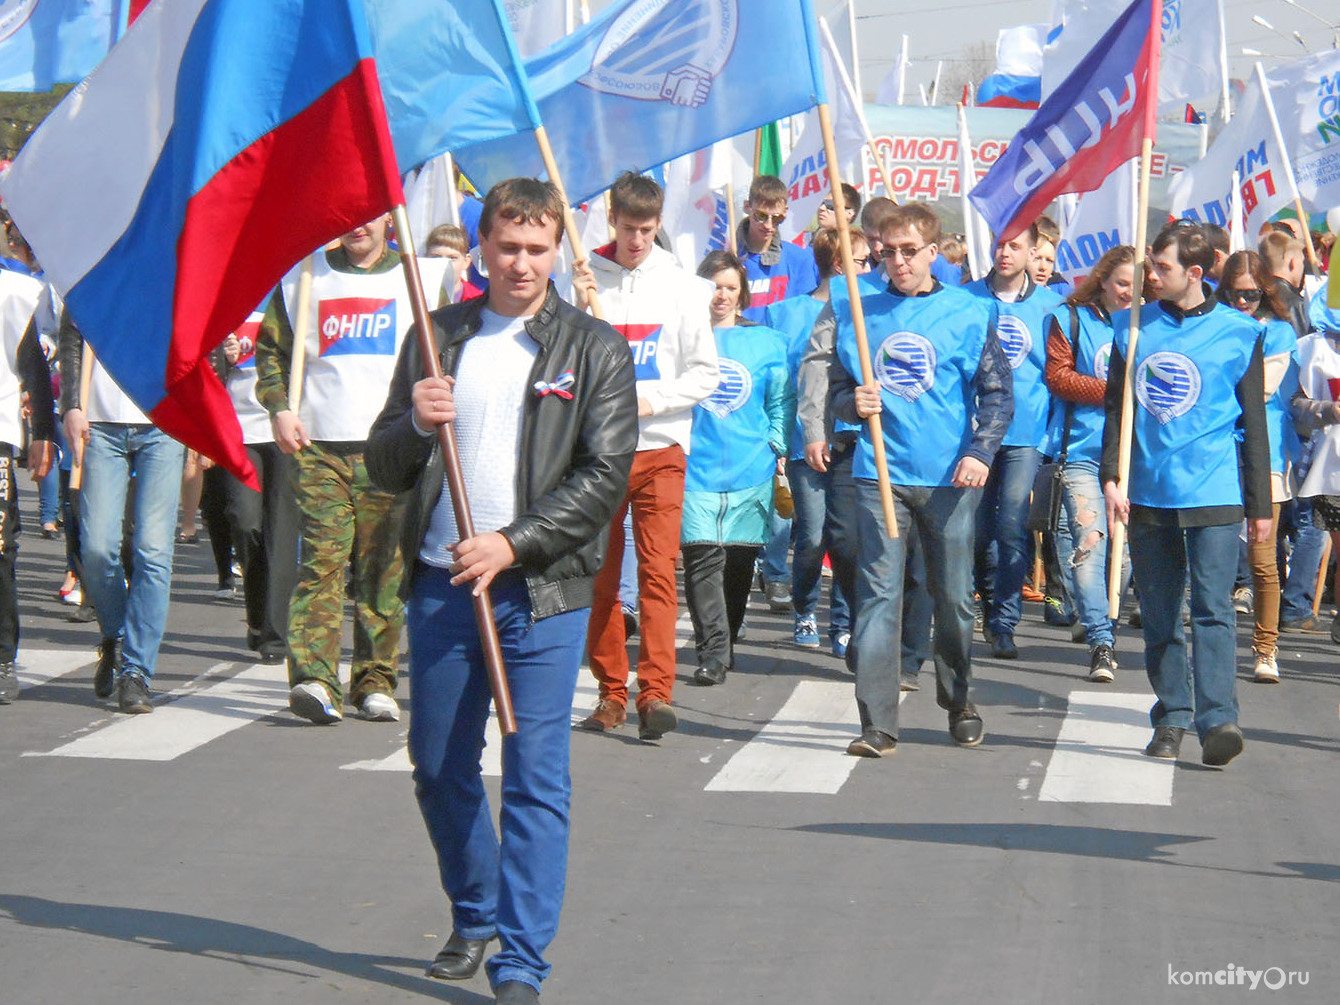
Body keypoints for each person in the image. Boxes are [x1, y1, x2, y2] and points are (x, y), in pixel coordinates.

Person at [365, 176, 638, 1005]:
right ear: (482, 248)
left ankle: (521, 960)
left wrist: (512, 543)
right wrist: (413, 421)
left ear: (560, 248)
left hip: (542, 591)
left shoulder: (594, 348)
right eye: (507, 246)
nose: (522, 263)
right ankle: (476, 908)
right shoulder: (438, 334)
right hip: (445, 584)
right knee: (438, 765)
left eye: (537, 247)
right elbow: (383, 463)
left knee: (534, 774)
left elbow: (603, 475)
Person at [830, 202, 1013, 757]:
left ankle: (959, 699)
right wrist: (850, 403)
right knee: (879, 599)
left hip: (949, 482)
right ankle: (878, 723)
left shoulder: (966, 311)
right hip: (879, 475)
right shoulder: (859, 309)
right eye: (889, 252)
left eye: (910, 251)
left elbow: (999, 393)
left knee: (954, 599)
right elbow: (838, 388)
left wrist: (981, 452)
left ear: (934, 252)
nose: (899, 261)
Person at [254, 216, 450, 724]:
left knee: (382, 570)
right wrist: (279, 406)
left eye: (369, 215)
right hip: (319, 448)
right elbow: (271, 353)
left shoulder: (420, 280)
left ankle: (374, 679)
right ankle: (316, 679)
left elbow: (449, 351)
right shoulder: (303, 276)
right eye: (347, 217)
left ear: (389, 217)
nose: (357, 227)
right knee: (321, 563)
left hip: (391, 448)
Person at [1102, 223, 1271, 767]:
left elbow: (1254, 425)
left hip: (1215, 492)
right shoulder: (1133, 328)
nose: (1149, 276)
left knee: (1213, 610)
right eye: (1150, 265)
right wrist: (1111, 476)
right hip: (1148, 493)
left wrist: (1261, 506)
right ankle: (1172, 714)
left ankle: (1218, 717)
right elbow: (1115, 410)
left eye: (1161, 268)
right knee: (1157, 614)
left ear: (1195, 274)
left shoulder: (1240, 332)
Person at [570, 172, 718, 740]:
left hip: (661, 450)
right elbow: (559, 360)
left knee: (658, 574)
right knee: (602, 578)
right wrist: (569, 296)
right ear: (613, 220)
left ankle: (656, 693)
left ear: (659, 225)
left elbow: (705, 373)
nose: (636, 239)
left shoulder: (682, 286)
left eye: (647, 229)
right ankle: (611, 693)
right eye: (628, 228)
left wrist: (651, 399)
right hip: (600, 454)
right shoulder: (586, 280)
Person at [60, 315, 185, 713]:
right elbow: (71, 335)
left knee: (152, 550)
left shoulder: (174, 266)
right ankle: (114, 635)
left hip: (164, 424)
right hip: (101, 425)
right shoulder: (97, 261)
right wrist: (71, 406)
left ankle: (136, 672)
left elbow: (204, 340)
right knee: (96, 548)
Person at [682, 251, 793, 685]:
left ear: (741, 292)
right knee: (702, 557)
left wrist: (777, 442)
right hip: (695, 467)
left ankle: (724, 638)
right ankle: (710, 650)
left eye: (730, 287)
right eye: (714, 286)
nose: (721, 295)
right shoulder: (681, 337)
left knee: (739, 563)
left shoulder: (766, 342)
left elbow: (781, 400)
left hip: (751, 467)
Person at [967, 223, 1065, 659]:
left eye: (1016, 246)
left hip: (1026, 434)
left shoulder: (1051, 306)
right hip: (973, 434)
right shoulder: (965, 298)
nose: (1005, 253)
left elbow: (1059, 374)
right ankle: (981, 604)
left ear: (1032, 252)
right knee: (974, 527)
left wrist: (1056, 435)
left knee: (1010, 524)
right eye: (1000, 245)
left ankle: (1003, 619)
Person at [767, 227, 866, 656]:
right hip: (804, 443)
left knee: (846, 538)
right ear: (841, 264)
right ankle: (805, 607)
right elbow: (778, 380)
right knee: (811, 536)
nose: (871, 269)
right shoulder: (784, 313)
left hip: (851, 441)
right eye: (863, 261)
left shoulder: (869, 310)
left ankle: (841, 624)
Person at [1042, 245, 1135, 683]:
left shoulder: (1150, 325)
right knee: (1090, 542)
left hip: (1134, 458)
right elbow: (1058, 377)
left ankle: (1100, 615)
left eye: (1138, 286)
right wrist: (1114, 392)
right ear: (1102, 280)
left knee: (1126, 551)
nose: (1128, 294)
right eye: (1121, 284)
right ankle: (1101, 638)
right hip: (1083, 451)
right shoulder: (1074, 320)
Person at [1217, 250, 1300, 683]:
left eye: (1250, 294)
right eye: (1233, 293)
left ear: (1265, 292)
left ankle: (1266, 649)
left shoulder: (1280, 332)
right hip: (1214, 451)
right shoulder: (1212, 326)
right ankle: (1210, 641)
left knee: (1263, 558)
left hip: (1263, 454)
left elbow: (1260, 392)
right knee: (1210, 553)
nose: (1242, 302)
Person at [222, 311, 297, 663]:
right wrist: (221, 356)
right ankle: (256, 615)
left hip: (285, 423)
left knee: (280, 530)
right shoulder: (230, 292)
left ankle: (274, 632)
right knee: (245, 520)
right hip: (239, 426)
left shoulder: (295, 287)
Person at [0, 267, 54, 704]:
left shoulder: (14, 293)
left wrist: (42, 433)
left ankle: (2, 656)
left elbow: (33, 364)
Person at [737, 174, 820, 321]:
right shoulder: (729, 257)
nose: (768, 225)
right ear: (747, 207)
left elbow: (805, 314)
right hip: (741, 340)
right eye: (761, 216)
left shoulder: (801, 258)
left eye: (777, 218)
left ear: (785, 211)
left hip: (782, 342)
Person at [426, 223, 484, 303]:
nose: (444, 264)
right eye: (436, 257)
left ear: (466, 262)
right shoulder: (413, 295)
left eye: (452, 258)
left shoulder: (477, 300)